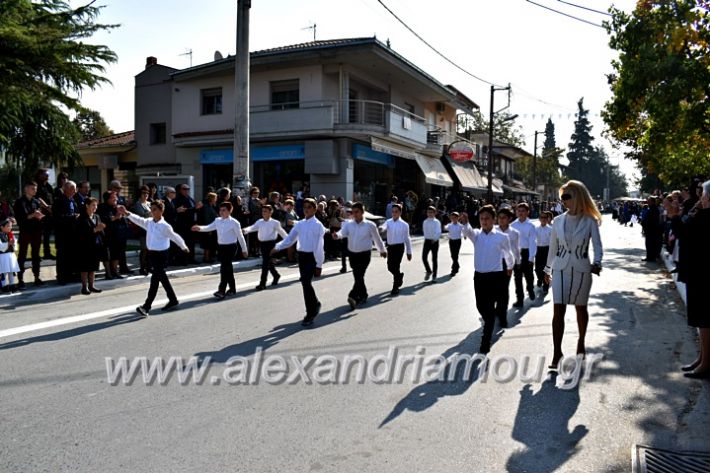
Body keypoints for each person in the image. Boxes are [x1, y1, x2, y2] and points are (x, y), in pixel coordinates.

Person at [544, 180, 603, 369]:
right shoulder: (558, 220)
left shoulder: (589, 220)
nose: (564, 201)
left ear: (577, 197)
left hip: (582, 269)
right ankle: (556, 353)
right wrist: (547, 269)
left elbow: (598, 247)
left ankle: (581, 342)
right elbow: (553, 248)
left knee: (580, 308)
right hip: (560, 268)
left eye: (567, 197)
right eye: (562, 198)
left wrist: (597, 263)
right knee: (558, 310)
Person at [669, 179, 710, 379]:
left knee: (704, 320)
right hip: (697, 272)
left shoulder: (706, 217)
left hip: (702, 274)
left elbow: (685, 235)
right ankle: (702, 357)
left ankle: (706, 362)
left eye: (703, 192)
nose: (700, 195)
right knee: (700, 320)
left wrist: (675, 216)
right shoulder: (701, 213)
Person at [119, 201, 189, 317]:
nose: (152, 211)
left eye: (155, 209)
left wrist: (183, 246)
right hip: (152, 254)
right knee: (162, 278)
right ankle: (173, 300)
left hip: (161, 255)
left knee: (155, 280)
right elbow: (138, 219)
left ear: (161, 211)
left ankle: (146, 306)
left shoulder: (165, 226)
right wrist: (126, 212)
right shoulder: (149, 223)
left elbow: (174, 236)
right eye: (151, 209)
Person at [462, 205, 514, 354]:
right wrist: (465, 222)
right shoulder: (477, 235)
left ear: (493, 220)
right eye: (482, 218)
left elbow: (508, 253)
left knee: (489, 310)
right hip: (479, 277)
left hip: (495, 276)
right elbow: (467, 231)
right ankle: (489, 322)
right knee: (481, 306)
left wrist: (509, 267)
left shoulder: (501, 237)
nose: (484, 221)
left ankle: (486, 341)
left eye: (487, 218)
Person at [271, 198, 326, 326]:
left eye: (309, 207)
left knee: (306, 282)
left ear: (315, 209)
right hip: (302, 256)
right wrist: (277, 247)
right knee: (305, 284)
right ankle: (315, 304)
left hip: (312, 257)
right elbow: (290, 239)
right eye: (305, 207)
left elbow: (319, 246)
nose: (306, 209)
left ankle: (310, 313)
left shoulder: (318, 225)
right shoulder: (300, 224)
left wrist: (319, 264)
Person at [333, 202, 387, 309]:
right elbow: (342, 232)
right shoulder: (349, 224)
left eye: (356, 212)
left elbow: (377, 239)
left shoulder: (370, 225)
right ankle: (363, 295)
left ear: (362, 212)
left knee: (359, 274)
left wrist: (382, 250)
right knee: (358, 276)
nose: (354, 214)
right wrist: (337, 235)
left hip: (365, 254)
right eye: (353, 212)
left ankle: (352, 296)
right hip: (352, 254)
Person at [192, 202, 248, 299]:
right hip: (221, 247)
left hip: (231, 247)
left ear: (230, 211)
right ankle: (232, 289)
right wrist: (199, 228)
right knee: (228, 268)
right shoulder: (217, 220)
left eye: (224, 210)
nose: (221, 212)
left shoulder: (234, 222)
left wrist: (244, 249)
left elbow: (240, 237)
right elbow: (209, 227)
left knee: (224, 268)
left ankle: (221, 290)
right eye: (220, 210)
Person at [242, 204, 288, 291]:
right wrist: (246, 230)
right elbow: (252, 227)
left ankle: (262, 283)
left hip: (270, 245)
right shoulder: (260, 222)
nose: (264, 213)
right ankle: (276, 275)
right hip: (262, 245)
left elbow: (283, 233)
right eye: (263, 211)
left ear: (271, 212)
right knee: (268, 262)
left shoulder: (275, 223)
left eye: (266, 211)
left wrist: (287, 241)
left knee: (265, 264)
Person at [13, 181, 45, 288]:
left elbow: (38, 214)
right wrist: (33, 215)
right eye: (32, 188)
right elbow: (21, 218)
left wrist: (40, 216)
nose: (35, 190)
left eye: (35, 189)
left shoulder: (36, 201)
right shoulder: (19, 202)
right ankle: (20, 279)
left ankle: (37, 277)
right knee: (22, 254)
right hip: (25, 231)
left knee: (36, 255)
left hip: (36, 230)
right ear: (26, 189)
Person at [495, 207, 520, 328]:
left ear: (509, 219)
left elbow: (516, 250)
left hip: (507, 264)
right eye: (499, 217)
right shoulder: (492, 230)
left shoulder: (514, 233)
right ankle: (497, 309)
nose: (501, 220)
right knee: (494, 290)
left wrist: (518, 263)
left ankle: (503, 317)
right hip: (493, 263)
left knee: (503, 290)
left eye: (504, 217)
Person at [380, 203, 412, 296]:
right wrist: (381, 228)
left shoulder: (404, 225)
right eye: (393, 212)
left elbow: (407, 238)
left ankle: (395, 287)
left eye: (396, 212)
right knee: (390, 267)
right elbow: (384, 226)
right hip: (390, 247)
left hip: (399, 248)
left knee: (396, 266)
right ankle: (399, 277)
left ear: (400, 212)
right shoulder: (388, 222)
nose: (394, 213)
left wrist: (409, 252)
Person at [76, 198, 106, 295]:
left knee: (93, 267)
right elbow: (81, 233)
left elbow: (100, 231)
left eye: (96, 205)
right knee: (85, 267)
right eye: (93, 205)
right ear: (87, 206)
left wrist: (101, 229)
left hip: (96, 245)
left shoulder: (97, 216)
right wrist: (95, 229)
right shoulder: (81, 218)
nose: (95, 207)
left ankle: (92, 285)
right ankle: (84, 287)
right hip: (85, 246)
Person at [52, 180, 80, 285]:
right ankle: (62, 277)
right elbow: (58, 218)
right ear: (66, 189)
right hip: (62, 234)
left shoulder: (73, 201)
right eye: (72, 188)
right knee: (62, 257)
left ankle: (70, 275)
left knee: (71, 255)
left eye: (75, 189)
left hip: (72, 233)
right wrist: (73, 217)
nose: (74, 191)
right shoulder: (58, 201)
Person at [511, 202, 537, 307]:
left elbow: (532, 242)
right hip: (516, 254)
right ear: (516, 212)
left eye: (523, 211)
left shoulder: (531, 226)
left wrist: (531, 257)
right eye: (519, 211)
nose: (520, 213)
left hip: (527, 253)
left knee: (529, 275)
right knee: (517, 278)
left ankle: (530, 288)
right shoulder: (512, 225)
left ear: (527, 212)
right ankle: (520, 299)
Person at [98, 191, 124, 281]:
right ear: (108, 199)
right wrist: (115, 217)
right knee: (107, 255)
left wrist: (121, 216)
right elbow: (104, 219)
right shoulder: (102, 207)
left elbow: (121, 218)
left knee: (116, 254)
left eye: (116, 197)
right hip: (106, 235)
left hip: (117, 234)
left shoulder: (117, 207)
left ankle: (115, 271)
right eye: (113, 197)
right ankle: (108, 273)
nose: (116, 199)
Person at [173, 183, 200, 264]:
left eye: (188, 189)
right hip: (182, 225)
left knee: (191, 242)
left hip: (191, 224)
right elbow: (183, 210)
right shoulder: (177, 199)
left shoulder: (190, 198)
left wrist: (197, 208)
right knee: (183, 242)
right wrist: (194, 208)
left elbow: (193, 209)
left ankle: (191, 258)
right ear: (180, 190)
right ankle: (182, 259)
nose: (187, 190)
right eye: (184, 189)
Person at [132, 186, 152, 275]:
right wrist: (151, 213)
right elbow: (141, 215)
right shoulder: (138, 204)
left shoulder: (149, 203)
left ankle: (149, 266)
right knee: (144, 249)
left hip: (151, 229)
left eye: (147, 193)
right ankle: (142, 267)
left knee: (150, 249)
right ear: (140, 194)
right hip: (143, 229)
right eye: (144, 193)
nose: (146, 195)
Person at [535, 211, 553, 296]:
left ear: (547, 219)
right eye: (541, 217)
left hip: (547, 250)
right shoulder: (536, 229)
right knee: (538, 269)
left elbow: (553, 242)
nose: (543, 219)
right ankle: (540, 278)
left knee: (546, 268)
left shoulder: (550, 229)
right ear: (539, 219)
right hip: (538, 250)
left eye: (545, 217)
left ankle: (546, 285)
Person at [0, 218, 20, 293]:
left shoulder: (10, 234)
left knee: (11, 271)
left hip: (11, 256)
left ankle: (12, 285)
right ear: (2, 227)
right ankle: (4, 286)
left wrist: (13, 243)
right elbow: (0, 246)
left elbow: (15, 246)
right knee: (4, 272)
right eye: (8, 226)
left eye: (11, 226)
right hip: (3, 256)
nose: (10, 228)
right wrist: (8, 244)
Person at [422, 206, 441, 282]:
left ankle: (434, 275)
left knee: (434, 259)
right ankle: (429, 271)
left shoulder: (436, 222)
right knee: (424, 257)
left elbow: (438, 231)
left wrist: (435, 239)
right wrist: (427, 238)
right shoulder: (425, 222)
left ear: (435, 213)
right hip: (427, 241)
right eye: (428, 212)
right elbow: (425, 231)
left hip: (434, 242)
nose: (430, 214)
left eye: (431, 212)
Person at [445, 211, 463, 276]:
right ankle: (457, 265)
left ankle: (454, 269)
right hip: (451, 241)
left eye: (455, 217)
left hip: (458, 241)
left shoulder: (460, 226)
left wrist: (465, 235)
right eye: (452, 217)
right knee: (453, 255)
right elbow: (445, 228)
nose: (453, 219)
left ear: (458, 218)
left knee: (456, 254)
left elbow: (464, 231)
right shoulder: (449, 225)